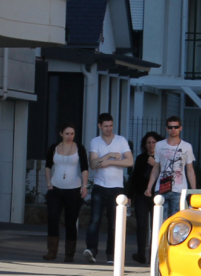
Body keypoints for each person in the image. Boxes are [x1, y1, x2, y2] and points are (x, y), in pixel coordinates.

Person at [84, 112, 133, 264]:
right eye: (105, 126)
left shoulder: (121, 140)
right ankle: (91, 250)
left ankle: (111, 254)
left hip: (116, 188)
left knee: (114, 222)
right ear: (100, 126)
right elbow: (93, 164)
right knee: (95, 220)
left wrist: (110, 162)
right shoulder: (95, 142)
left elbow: (130, 161)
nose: (109, 129)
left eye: (111, 126)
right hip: (99, 186)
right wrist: (109, 155)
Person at [42, 123, 88, 263]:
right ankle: (52, 251)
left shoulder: (79, 148)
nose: (70, 136)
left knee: (71, 221)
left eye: (72, 134)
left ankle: (69, 254)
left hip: (74, 189)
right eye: (67, 133)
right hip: (55, 188)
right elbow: (48, 166)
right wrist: (49, 184)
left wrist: (84, 186)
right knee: (53, 219)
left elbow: (84, 168)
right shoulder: (53, 148)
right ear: (61, 133)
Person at [144, 116, 197, 224]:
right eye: (170, 127)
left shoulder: (187, 146)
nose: (173, 129)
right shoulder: (159, 145)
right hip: (162, 187)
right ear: (167, 128)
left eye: (176, 127)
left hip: (179, 189)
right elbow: (156, 167)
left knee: (176, 221)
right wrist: (149, 187)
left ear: (180, 128)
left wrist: (194, 191)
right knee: (161, 220)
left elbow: (190, 170)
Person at [127, 131, 161, 263]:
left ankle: (154, 254)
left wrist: (155, 165)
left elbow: (166, 175)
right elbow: (134, 177)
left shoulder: (161, 158)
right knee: (141, 225)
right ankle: (141, 253)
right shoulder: (141, 158)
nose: (151, 145)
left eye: (154, 142)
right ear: (145, 145)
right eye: (149, 143)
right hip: (141, 195)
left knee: (156, 225)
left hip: (157, 196)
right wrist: (130, 195)